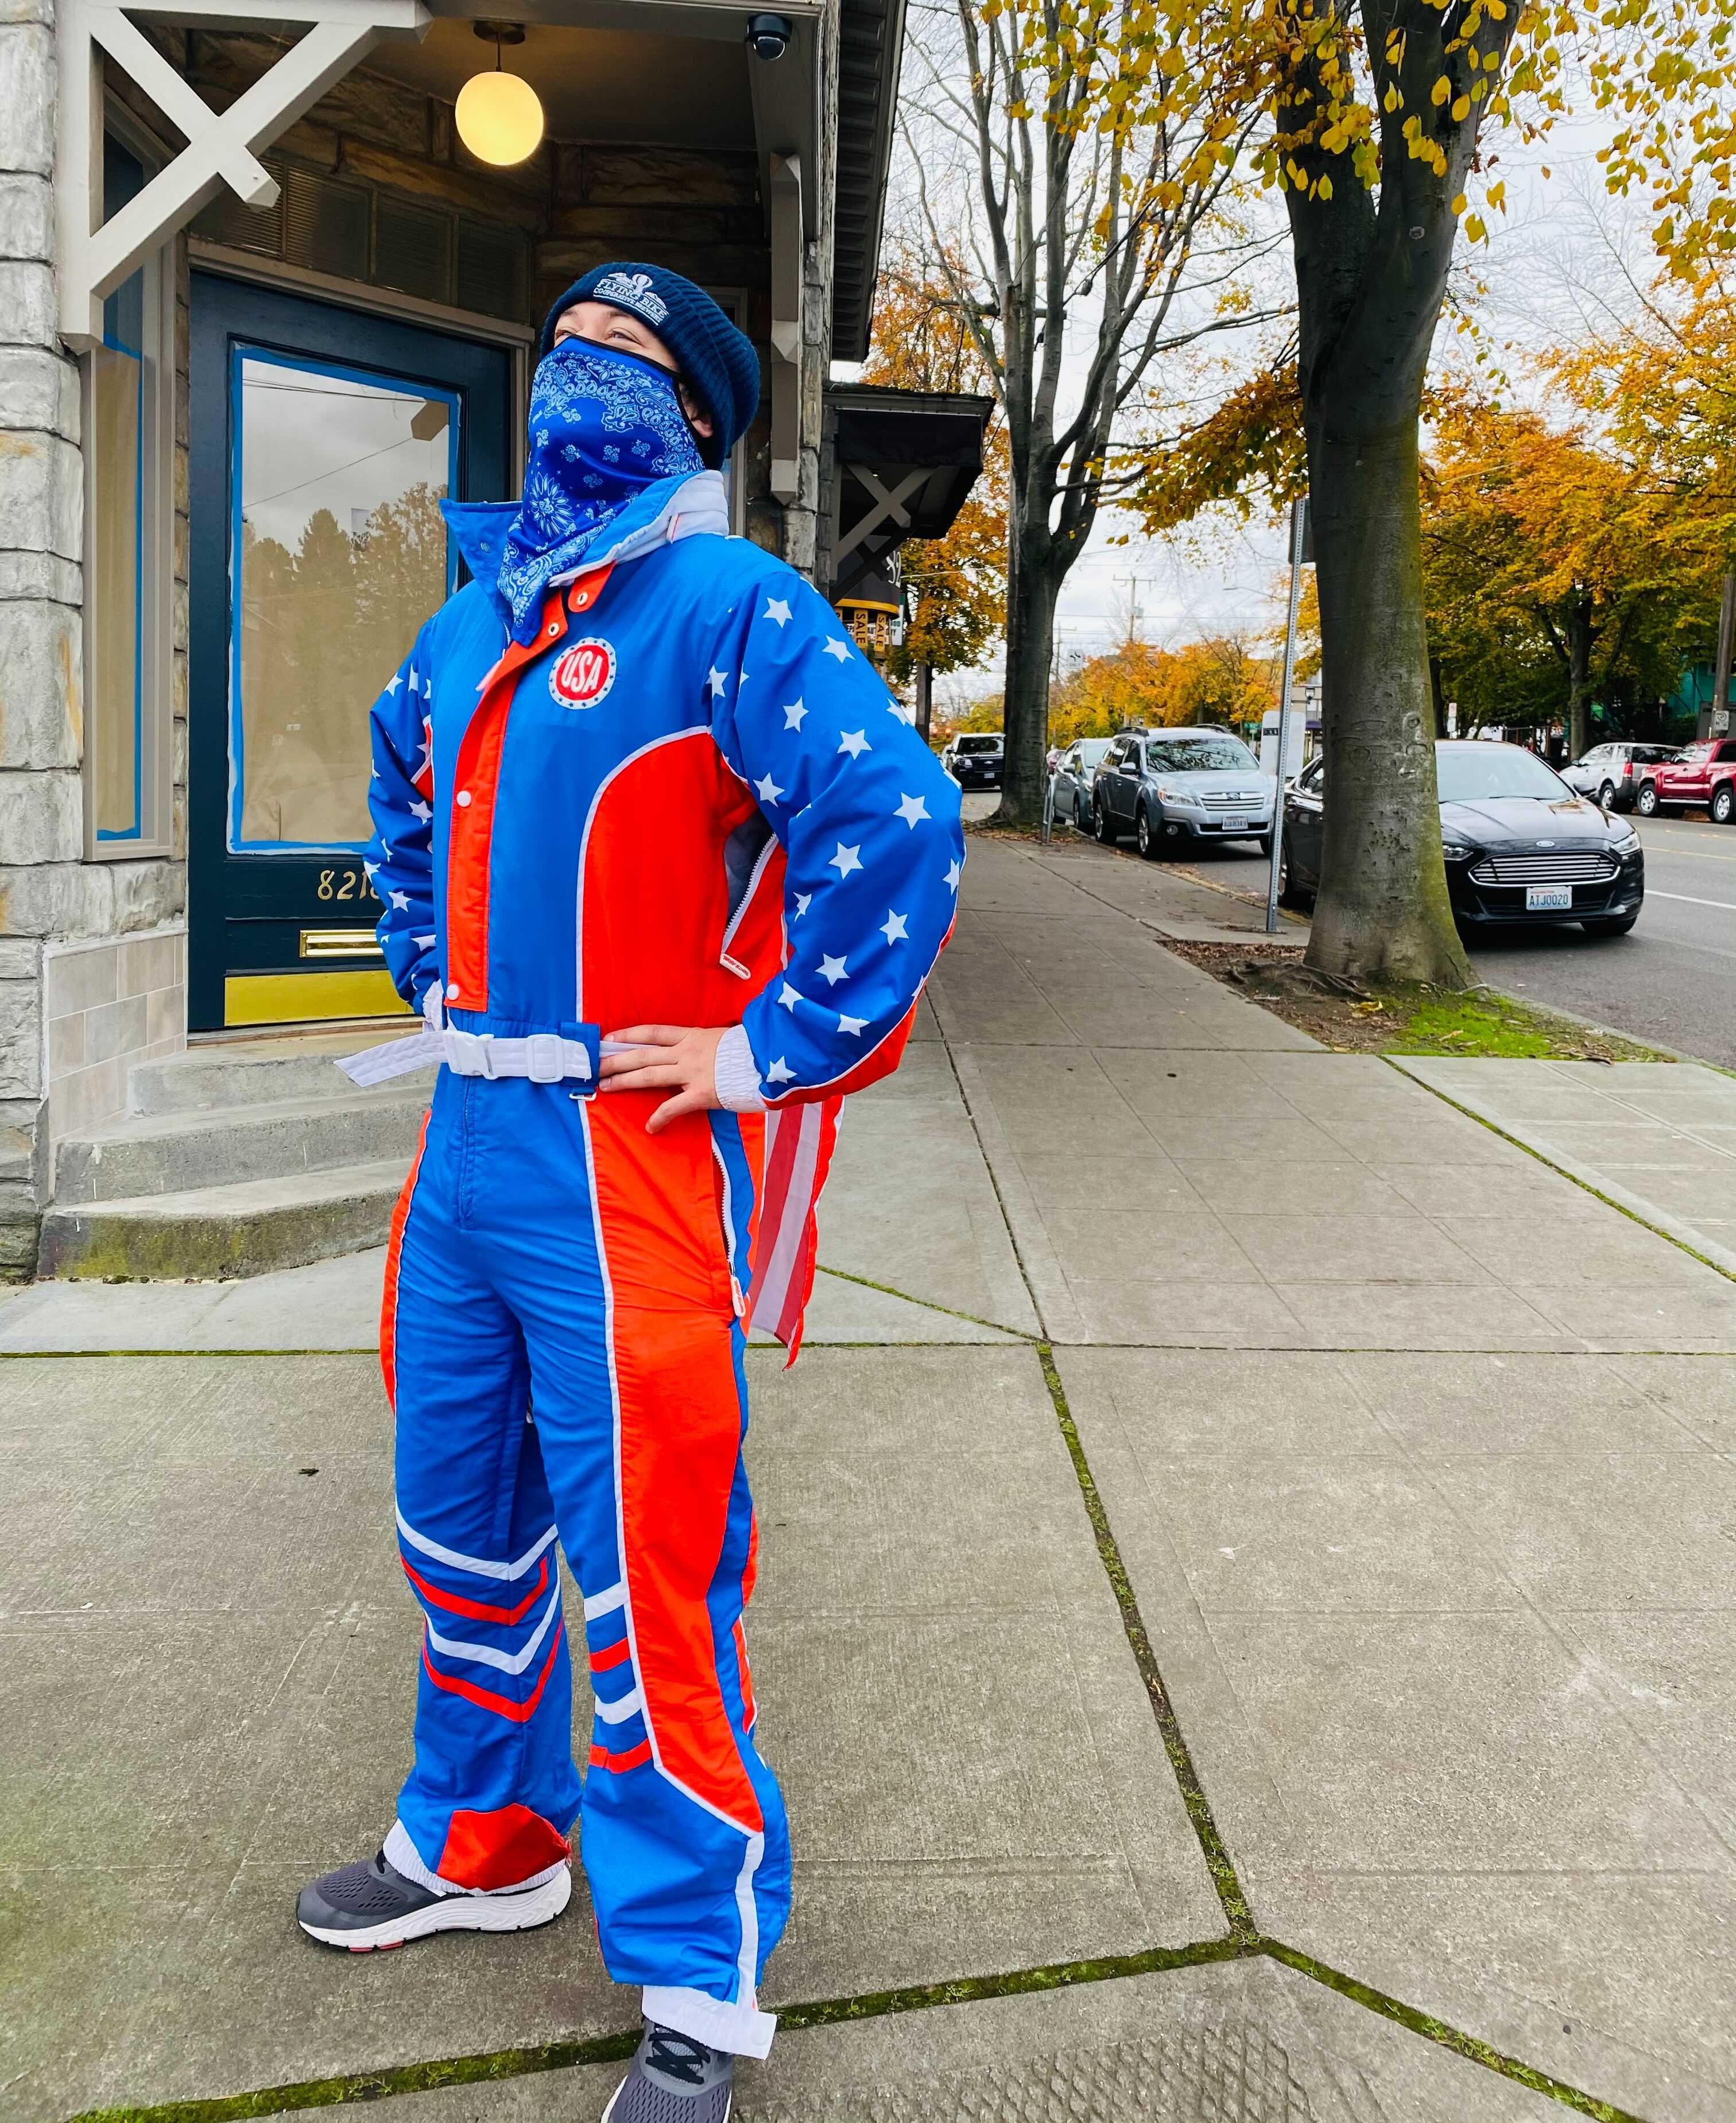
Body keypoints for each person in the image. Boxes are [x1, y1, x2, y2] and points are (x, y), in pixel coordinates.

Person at [293, 262, 964, 2121]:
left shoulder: (732, 608)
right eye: (569, 342)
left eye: (630, 356)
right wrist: (430, 968)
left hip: (629, 1167)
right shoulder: (472, 614)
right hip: (469, 1156)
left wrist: (762, 1051)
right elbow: (403, 784)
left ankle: (702, 1978)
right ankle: (487, 1838)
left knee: (650, 1570)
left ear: (696, 420)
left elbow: (894, 823)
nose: (582, 372)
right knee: (461, 1522)